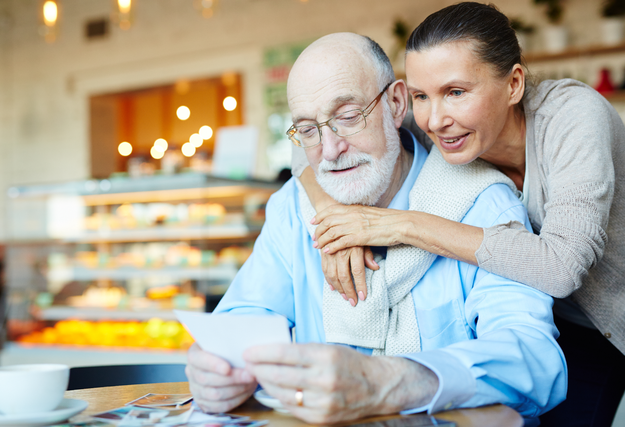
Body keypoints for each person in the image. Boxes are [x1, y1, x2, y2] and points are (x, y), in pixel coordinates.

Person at [186, 32, 566, 426]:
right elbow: (246, 317)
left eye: (348, 117)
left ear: (396, 103)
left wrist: (388, 381)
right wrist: (216, 367)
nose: (330, 150)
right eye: (309, 130)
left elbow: (533, 360)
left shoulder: (482, 203)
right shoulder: (293, 209)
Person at [295, 3, 625, 427]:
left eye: (456, 92)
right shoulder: (441, 128)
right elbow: (306, 141)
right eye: (420, 96)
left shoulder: (573, 117)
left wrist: (398, 225)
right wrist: (333, 218)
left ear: (514, 84)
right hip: (569, 327)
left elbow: (562, 267)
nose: (435, 119)